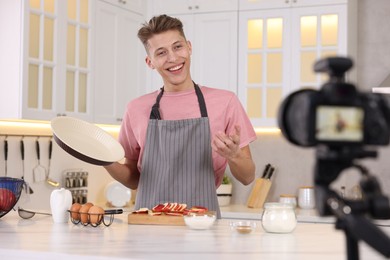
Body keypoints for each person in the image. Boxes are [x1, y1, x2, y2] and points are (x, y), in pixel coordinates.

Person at [104, 14, 256, 218]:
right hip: (149, 227)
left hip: (202, 227)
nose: (173, 58)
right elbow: (133, 178)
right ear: (150, 62)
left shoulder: (225, 102)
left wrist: (235, 156)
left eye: (177, 47)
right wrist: (103, 160)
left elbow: (247, 177)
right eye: (161, 52)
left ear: (189, 47)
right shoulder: (136, 108)